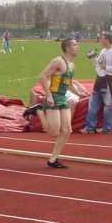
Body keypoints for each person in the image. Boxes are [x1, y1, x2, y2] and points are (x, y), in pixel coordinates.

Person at [23, 38, 88, 168]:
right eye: (75, 45)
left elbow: (68, 83)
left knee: (67, 130)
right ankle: (38, 110)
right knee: (53, 133)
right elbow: (42, 76)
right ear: (68, 48)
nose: (78, 47)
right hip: (52, 96)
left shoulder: (72, 65)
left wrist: (78, 93)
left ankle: (52, 160)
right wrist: (48, 95)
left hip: (62, 98)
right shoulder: (58, 61)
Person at [81, 33, 112, 134]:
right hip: (99, 80)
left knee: (108, 106)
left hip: (108, 80)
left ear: (107, 40)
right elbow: (99, 66)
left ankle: (107, 129)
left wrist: (106, 67)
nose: (100, 40)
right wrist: (93, 58)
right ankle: (90, 127)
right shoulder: (103, 51)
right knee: (93, 104)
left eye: (102, 39)